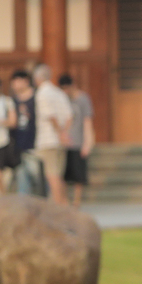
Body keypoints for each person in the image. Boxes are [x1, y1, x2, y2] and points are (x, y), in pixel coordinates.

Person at [32, 63, 74, 205]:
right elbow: (69, 116)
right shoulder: (59, 92)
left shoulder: (42, 93)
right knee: (58, 176)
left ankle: (59, 207)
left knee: (52, 176)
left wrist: (60, 133)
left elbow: (51, 116)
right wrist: (65, 134)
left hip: (48, 140)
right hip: (60, 141)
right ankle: (64, 204)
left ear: (37, 78)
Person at [60, 73, 95, 206]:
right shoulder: (62, 99)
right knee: (63, 175)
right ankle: (65, 201)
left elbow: (87, 122)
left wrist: (88, 143)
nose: (65, 91)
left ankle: (76, 202)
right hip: (64, 142)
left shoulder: (83, 99)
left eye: (67, 88)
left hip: (78, 141)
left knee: (78, 176)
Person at [8, 69, 38, 197]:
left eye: (16, 81)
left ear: (25, 81)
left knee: (39, 178)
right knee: (22, 182)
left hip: (35, 144)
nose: (14, 85)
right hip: (19, 146)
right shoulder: (12, 102)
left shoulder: (36, 98)